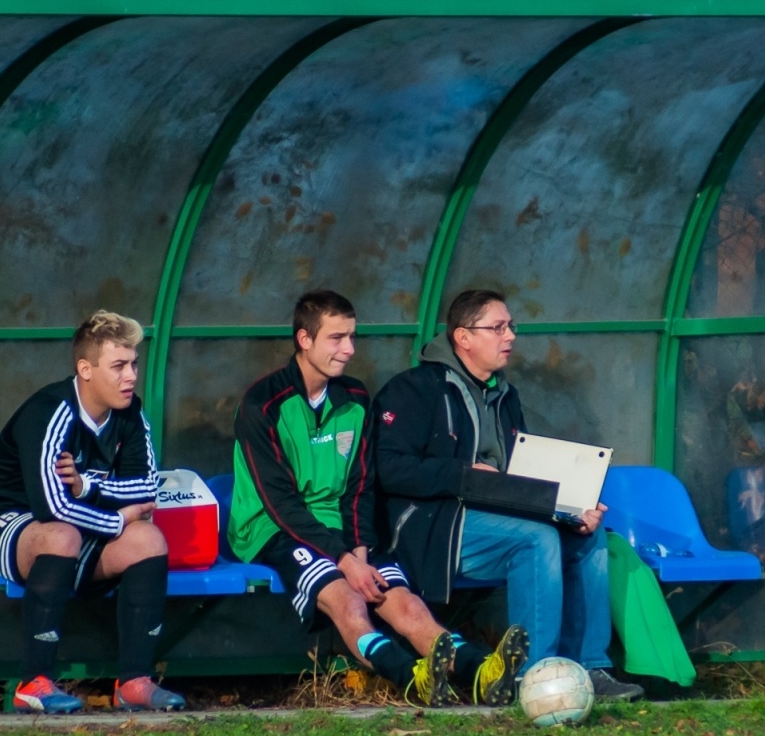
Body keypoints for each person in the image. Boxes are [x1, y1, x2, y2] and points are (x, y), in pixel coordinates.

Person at [229, 290, 527, 706]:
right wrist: (345, 560)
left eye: (352, 337)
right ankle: (410, 677)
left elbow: (360, 486)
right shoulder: (263, 404)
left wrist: (361, 550)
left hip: (343, 528)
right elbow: (280, 503)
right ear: (304, 339)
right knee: (347, 598)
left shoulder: (354, 399)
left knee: (404, 603)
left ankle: (480, 673)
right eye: (336, 338)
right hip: (274, 528)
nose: (349, 349)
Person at [373, 289, 642, 702]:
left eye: (512, 326)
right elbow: (390, 469)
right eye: (497, 327)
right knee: (537, 539)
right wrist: (463, 475)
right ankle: (533, 680)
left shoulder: (505, 395)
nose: (510, 336)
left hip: (499, 516)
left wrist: (569, 505)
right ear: (463, 337)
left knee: (588, 537)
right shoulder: (413, 389)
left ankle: (590, 669)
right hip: (435, 527)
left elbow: (520, 473)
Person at [0, 311, 185, 714]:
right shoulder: (50, 411)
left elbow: (147, 488)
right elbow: (51, 507)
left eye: (134, 364)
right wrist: (117, 519)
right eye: (118, 366)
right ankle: (34, 683)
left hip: (72, 528)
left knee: (148, 539)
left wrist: (89, 485)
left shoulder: (129, 412)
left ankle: (134, 681)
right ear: (86, 369)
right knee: (62, 534)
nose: (131, 376)